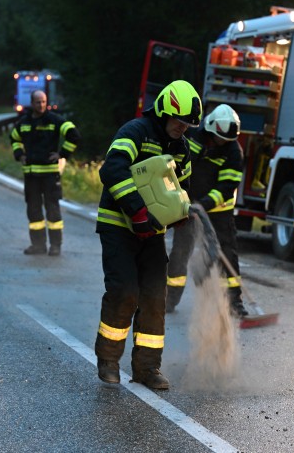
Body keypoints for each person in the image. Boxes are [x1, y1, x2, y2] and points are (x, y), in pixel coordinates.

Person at [94, 80, 200, 389]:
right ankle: (109, 360)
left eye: (189, 123)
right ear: (165, 112)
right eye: (179, 121)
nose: (184, 127)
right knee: (125, 291)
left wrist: (182, 214)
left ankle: (147, 368)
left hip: (152, 231)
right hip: (118, 224)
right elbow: (112, 169)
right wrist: (137, 212)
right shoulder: (135, 132)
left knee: (155, 297)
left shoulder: (182, 148)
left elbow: (183, 189)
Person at [166, 104, 248, 317]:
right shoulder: (192, 137)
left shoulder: (233, 152)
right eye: (220, 138)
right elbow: (176, 163)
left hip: (219, 210)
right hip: (188, 205)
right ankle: (168, 298)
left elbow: (226, 187)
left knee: (226, 253)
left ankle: (234, 302)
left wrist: (204, 205)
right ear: (210, 129)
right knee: (180, 251)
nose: (222, 143)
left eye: (227, 140)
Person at [10, 90, 81, 256]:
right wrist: (19, 155)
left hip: (50, 175)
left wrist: (62, 154)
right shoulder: (24, 122)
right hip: (31, 176)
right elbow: (14, 138)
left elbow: (74, 135)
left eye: (43, 102)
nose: (41, 105)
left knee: (53, 211)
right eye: (38, 102)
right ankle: (38, 245)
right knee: (34, 212)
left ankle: (55, 246)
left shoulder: (54, 120)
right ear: (32, 103)